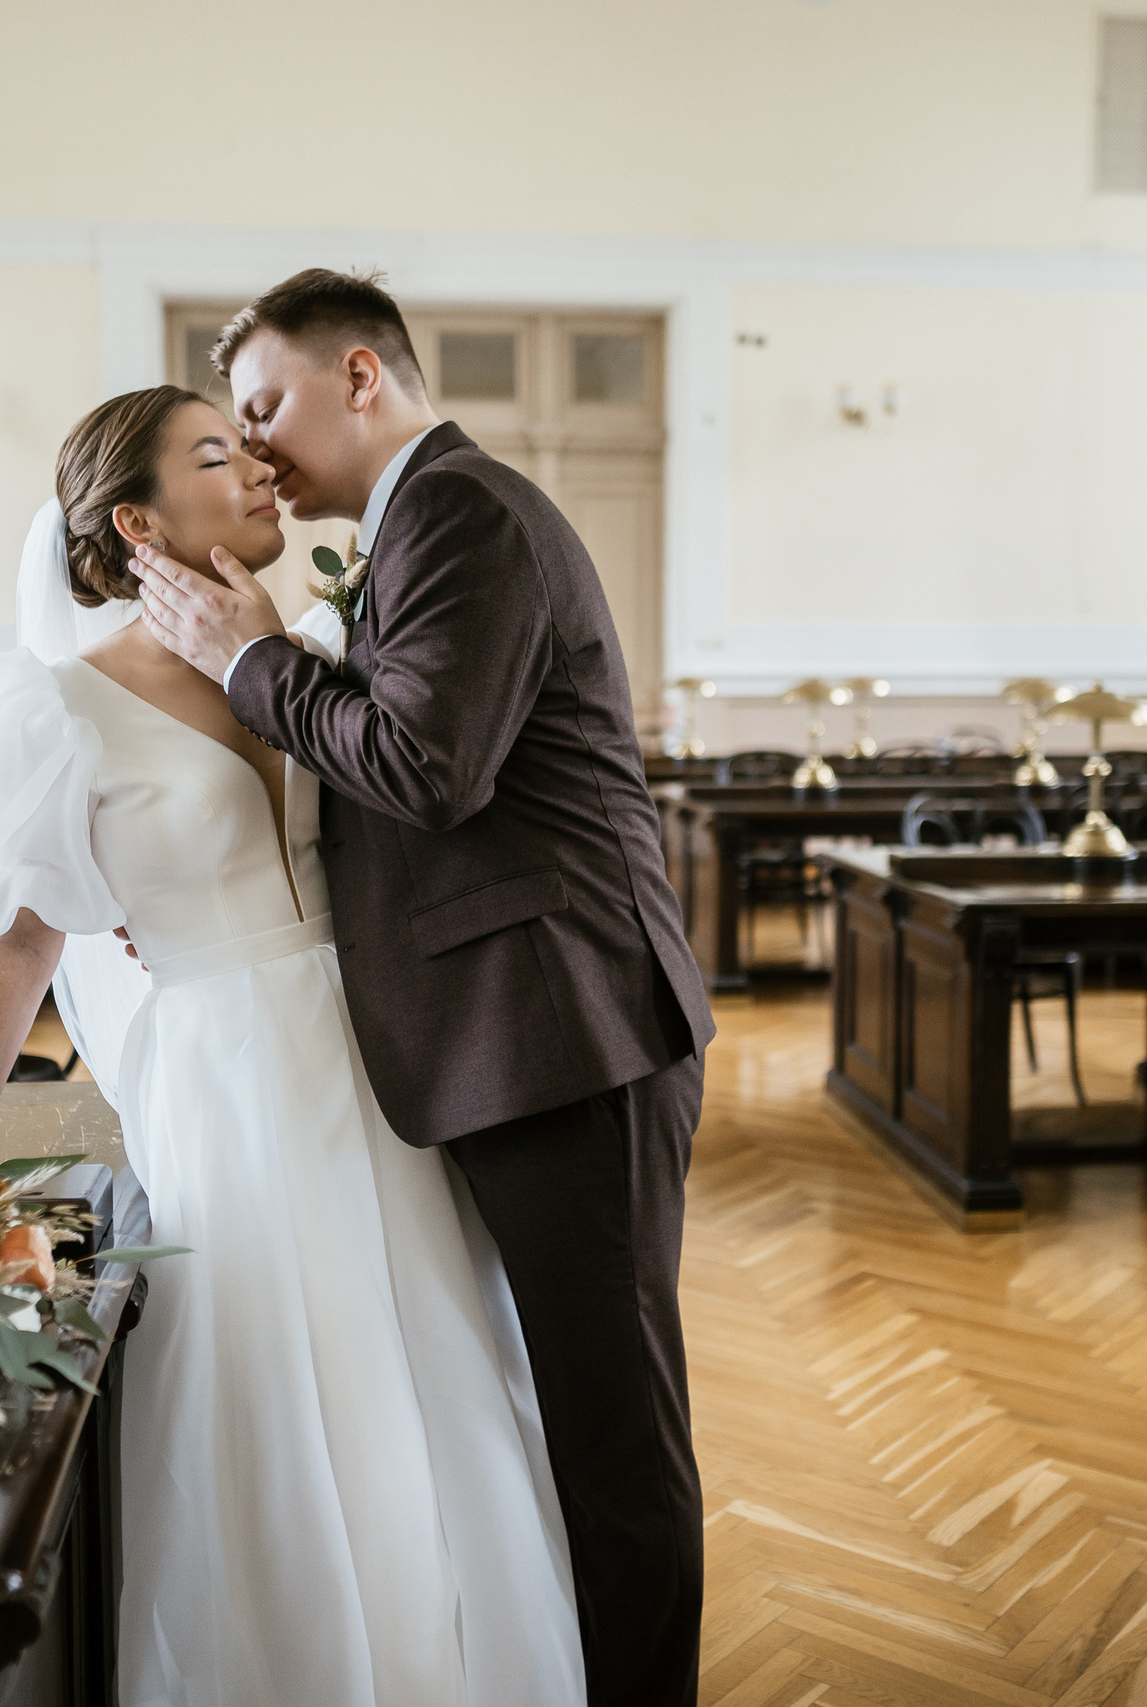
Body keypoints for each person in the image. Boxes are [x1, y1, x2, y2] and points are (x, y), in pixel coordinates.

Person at [0, 384, 585, 1707]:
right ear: (136, 521)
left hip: (381, 1059)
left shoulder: (316, 648)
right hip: (228, 1077)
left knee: (430, 1366)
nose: (262, 466)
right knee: (285, 1378)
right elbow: (26, 947)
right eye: (220, 454)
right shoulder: (53, 710)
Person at [123, 268, 716, 1707]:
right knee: (571, 1408)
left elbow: (427, 769)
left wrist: (251, 652)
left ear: (363, 379)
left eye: (266, 406)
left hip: (569, 1030)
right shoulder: (415, 532)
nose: (256, 446)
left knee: (616, 1432)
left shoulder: (465, 513)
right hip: (515, 1033)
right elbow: (408, 772)